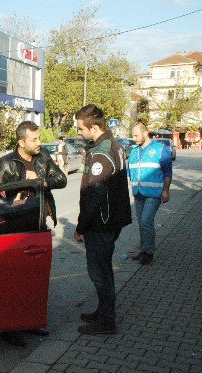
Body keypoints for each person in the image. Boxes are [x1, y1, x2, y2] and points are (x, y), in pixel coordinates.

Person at [0, 120, 67, 347]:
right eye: (34, 139)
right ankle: (9, 328)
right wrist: (7, 205)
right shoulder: (7, 163)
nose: (39, 143)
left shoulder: (43, 158)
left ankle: (31, 321)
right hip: (15, 229)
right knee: (14, 279)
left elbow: (61, 179)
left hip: (38, 226)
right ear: (21, 142)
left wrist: (40, 181)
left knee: (35, 277)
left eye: (39, 138)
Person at [73, 104, 131, 335]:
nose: (79, 132)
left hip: (101, 222)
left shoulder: (102, 152)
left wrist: (81, 226)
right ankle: (103, 311)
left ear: (93, 127)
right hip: (111, 220)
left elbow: (94, 194)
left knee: (99, 272)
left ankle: (107, 321)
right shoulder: (112, 145)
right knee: (104, 269)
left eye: (80, 128)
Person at [127, 123, 172, 265]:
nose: (134, 139)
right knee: (141, 222)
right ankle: (144, 249)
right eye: (133, 135)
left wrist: (165, 190)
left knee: (146, 221)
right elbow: (130, 170)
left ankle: (149, 253)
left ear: (145, 133)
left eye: (136, 135)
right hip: (138, 193)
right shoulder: (134, 151)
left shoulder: (160, 149)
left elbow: (167, 172)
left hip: (154, 193)